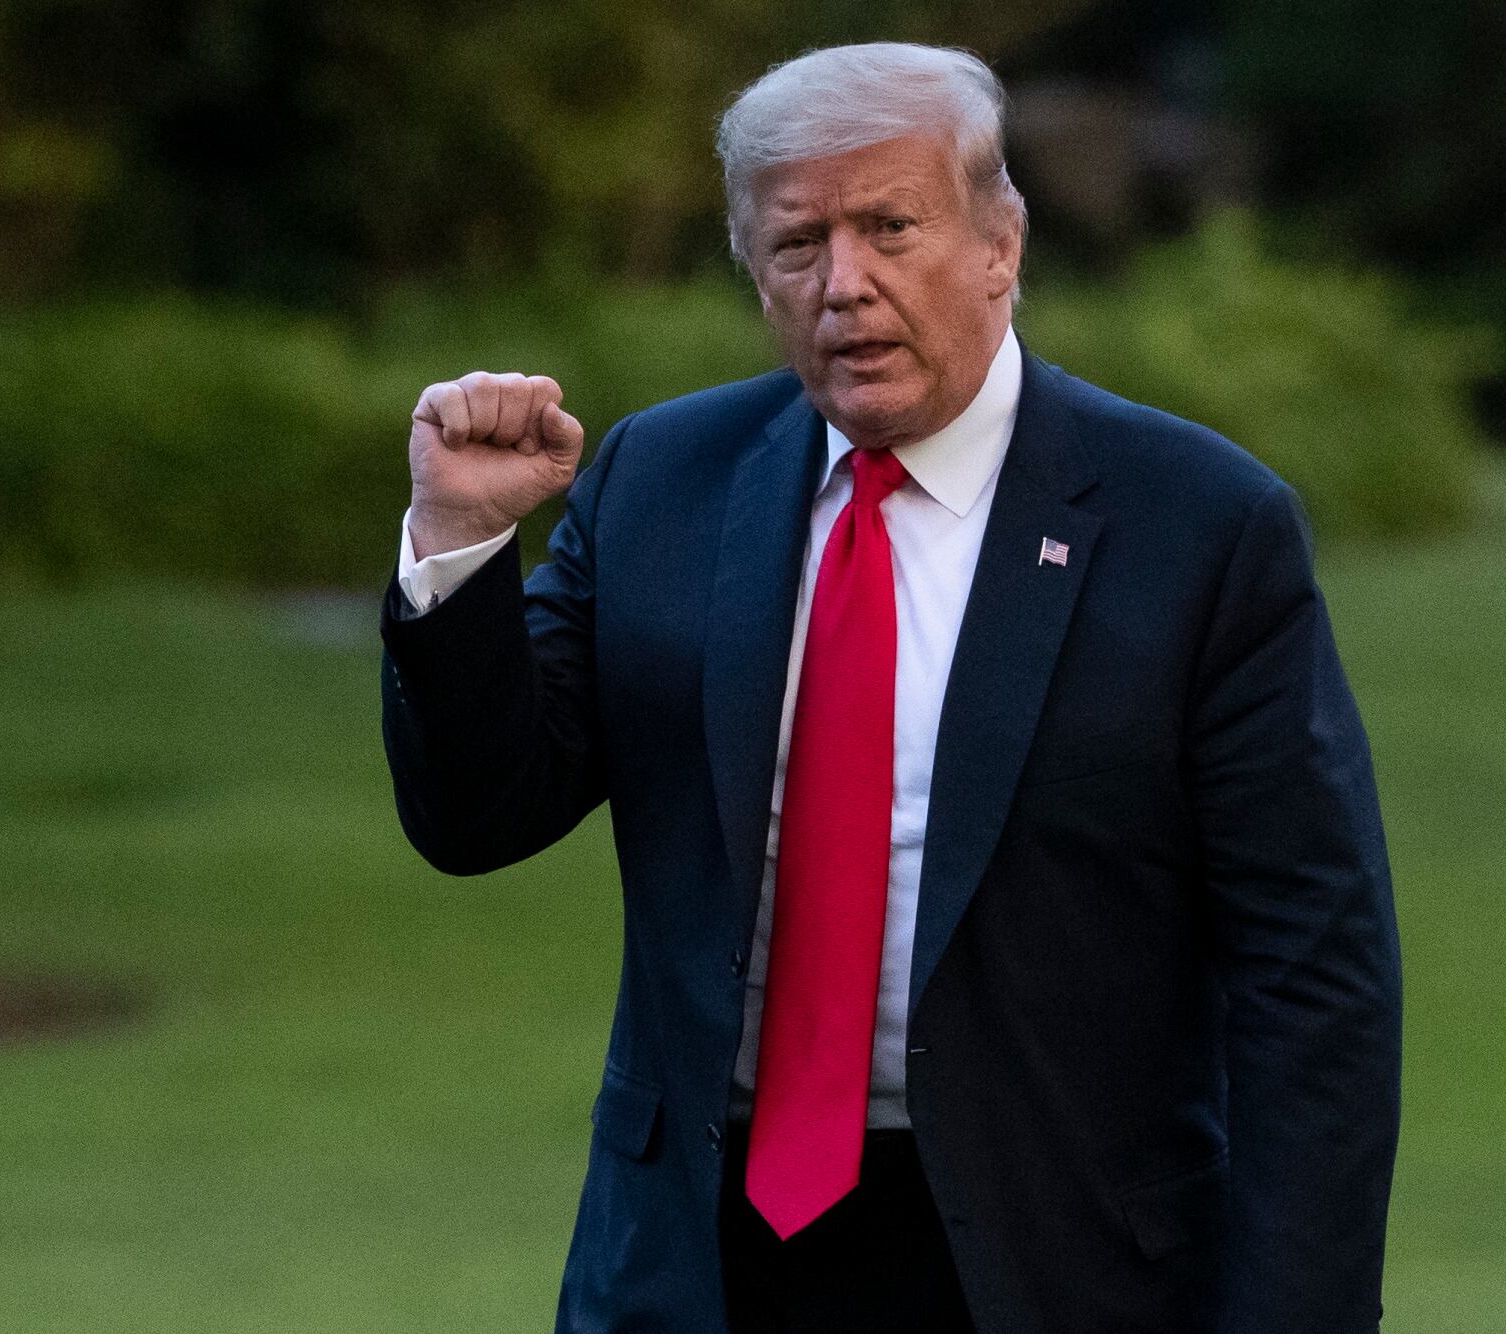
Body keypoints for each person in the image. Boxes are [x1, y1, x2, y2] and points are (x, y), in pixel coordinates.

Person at [381, 41, 1400, 1334]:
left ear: (1001, 241)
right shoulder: (662, 483)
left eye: (889, 226)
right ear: (755, 272)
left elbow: (1315, 979)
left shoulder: (1198, 526)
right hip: (697, 1262)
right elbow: (479, 815)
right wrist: (460, 549)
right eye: (798, 243)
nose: (845, 284)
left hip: (1059, 1260)